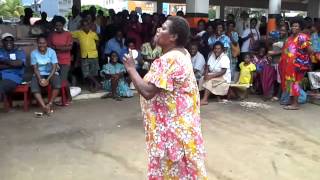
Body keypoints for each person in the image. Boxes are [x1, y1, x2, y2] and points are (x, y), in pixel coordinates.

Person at [123, 16, 207, 179]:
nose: (158, 30)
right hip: (181, 130)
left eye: (163, 28)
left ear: (173, 37)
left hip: (172, 135)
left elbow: (148, 92)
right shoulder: (182, 53)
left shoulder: (169, 60)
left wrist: (131, 68)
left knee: (173, 173)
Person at [279, 19, 312, 110]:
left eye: (296, 26)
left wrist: (302, 56)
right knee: (289, 83)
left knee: (295, 84)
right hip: (288, 66)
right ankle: (291, 101)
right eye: (293, 25)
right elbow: (286, 51)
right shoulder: (289, 38)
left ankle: (295, 104)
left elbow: (310, 50)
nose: (294, 27)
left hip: (298, 66)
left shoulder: (303, 37)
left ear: (300, 27)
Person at [30, 36, 61, 115]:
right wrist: (40, 79)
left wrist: (47, 79)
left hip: (51, 73)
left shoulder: (52, 52)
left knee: (57, 84)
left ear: (46, 43)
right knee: (34, 87)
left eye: (43, 43)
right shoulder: (33, 53)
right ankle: (44, 106)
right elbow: (35, 68)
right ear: (37, 44)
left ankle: (49, 104)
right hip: (39, 74)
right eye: (40, 43)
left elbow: (54, 67)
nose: (42, 45)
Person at [48, 16, 73, 105]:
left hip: (65, 60)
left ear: (63, 25)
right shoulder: (51, 35)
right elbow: (50, 47)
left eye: (60, 25)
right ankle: (64, 97)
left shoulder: (68, 34)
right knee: (56, 79)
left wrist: (56, 48)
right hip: (54, 60)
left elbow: (69, 48)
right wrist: (61, 48)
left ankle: (68, 97)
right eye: (56, 25)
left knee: (63, 79)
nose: (58, 27)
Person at [72, 19, 101, 92]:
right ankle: (97, 83)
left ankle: (92, 86)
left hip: (93, 55)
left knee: (93, 72)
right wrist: (75, 40)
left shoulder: (93, 34)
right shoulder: (79, 33)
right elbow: (68, 35)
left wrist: (96, 47)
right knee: (86, 73)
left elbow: (98, 41)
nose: (86, 26)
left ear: (89, 25)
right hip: (84, 55)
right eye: (84, 25)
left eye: (87, 25)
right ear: (81, 26)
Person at [0, 33, 26, 102]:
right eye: (6, 40)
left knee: (0, 87)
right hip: (1, 76)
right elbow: (14, 64)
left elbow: (19, 63)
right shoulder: (0, 51)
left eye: (11, 40)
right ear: (2, 42)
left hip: (13, 77)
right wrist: (12, 64)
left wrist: (3, 60)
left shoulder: (18, 51)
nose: (9, 42)